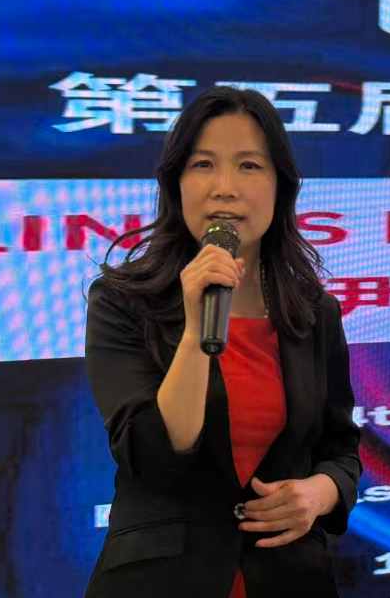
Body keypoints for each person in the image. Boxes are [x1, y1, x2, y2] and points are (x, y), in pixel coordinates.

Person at [84, 86, 361, 598]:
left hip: (289, 578)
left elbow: (340, 451)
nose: (224, 188)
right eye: (203, 165)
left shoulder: (314, 312)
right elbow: (152, 458)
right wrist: (196, 330)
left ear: (281, 187)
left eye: (249, 166)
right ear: (176, 184)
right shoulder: (122, 301)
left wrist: (318, 494)